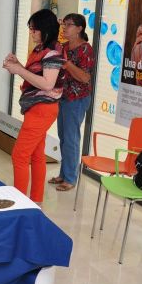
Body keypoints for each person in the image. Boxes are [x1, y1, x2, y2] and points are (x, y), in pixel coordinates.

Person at [3, 9, 63, 203]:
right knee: (37, 154)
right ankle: (35, 199)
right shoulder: (40, 49)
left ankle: (19, 202)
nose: (31, 32)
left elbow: (47, 84)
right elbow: (36, 77)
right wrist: (18, 65)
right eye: (30, 28)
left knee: (19, 155)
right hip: (36, 108)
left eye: (34, 29)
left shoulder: (53, 52)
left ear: (45, 29)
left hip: (43, 109)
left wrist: (19, 69)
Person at [49, 13, 94, 192]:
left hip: (77, 99)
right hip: (63, 97)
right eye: (63, 24)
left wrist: (67, 64)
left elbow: (84, 77)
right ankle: (63, 173)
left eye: (69, 25)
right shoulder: (64, 46)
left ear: (79, 28)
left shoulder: (85, 49)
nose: (64, 28)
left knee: (71, 139)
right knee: (63, 137)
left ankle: (70, 178)